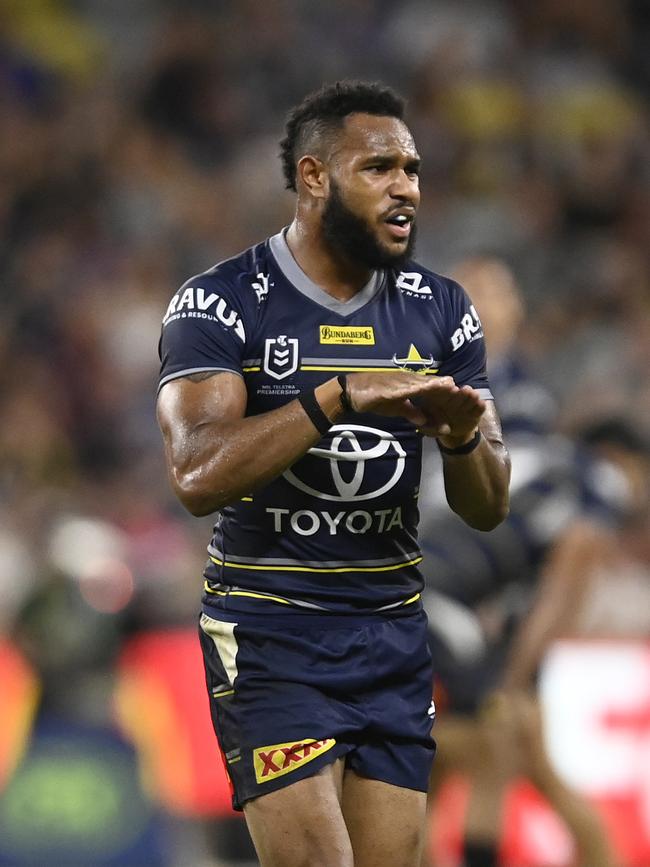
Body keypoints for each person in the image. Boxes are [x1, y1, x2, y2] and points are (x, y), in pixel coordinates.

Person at [156, 81, 510, 867]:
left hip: (390, 630)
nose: (406, 187)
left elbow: (489, 505)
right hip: (272, 625)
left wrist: (460, 441)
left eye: (413, 169)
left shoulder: (442, 310)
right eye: (380, 167)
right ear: (314, 176)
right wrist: (337, 396)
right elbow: (194, 472)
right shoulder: (220, 303)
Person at [417, 256, 633, 867]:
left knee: (487, 748)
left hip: (481, 605)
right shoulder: (410, 381)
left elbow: (566, 555)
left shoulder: (535, 412)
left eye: (498, 290)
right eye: (471, 291)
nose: (486, 302)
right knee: (489, 754)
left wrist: (519, 660)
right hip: (439, 586)